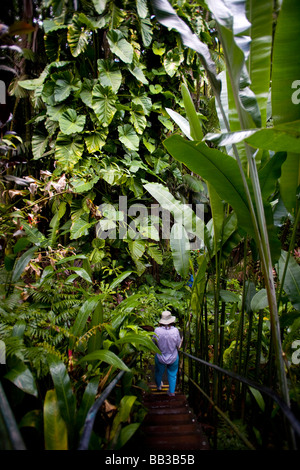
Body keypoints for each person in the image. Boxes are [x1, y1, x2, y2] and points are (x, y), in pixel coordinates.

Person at [153, 310, 182, 397]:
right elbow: (178, 344)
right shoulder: (175, 331)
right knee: (172, 374)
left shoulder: (157, 330)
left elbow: (153, 342)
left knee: (158, 372)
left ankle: (158, 386)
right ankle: (172, 392)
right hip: (173, 356)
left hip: (160, 356)